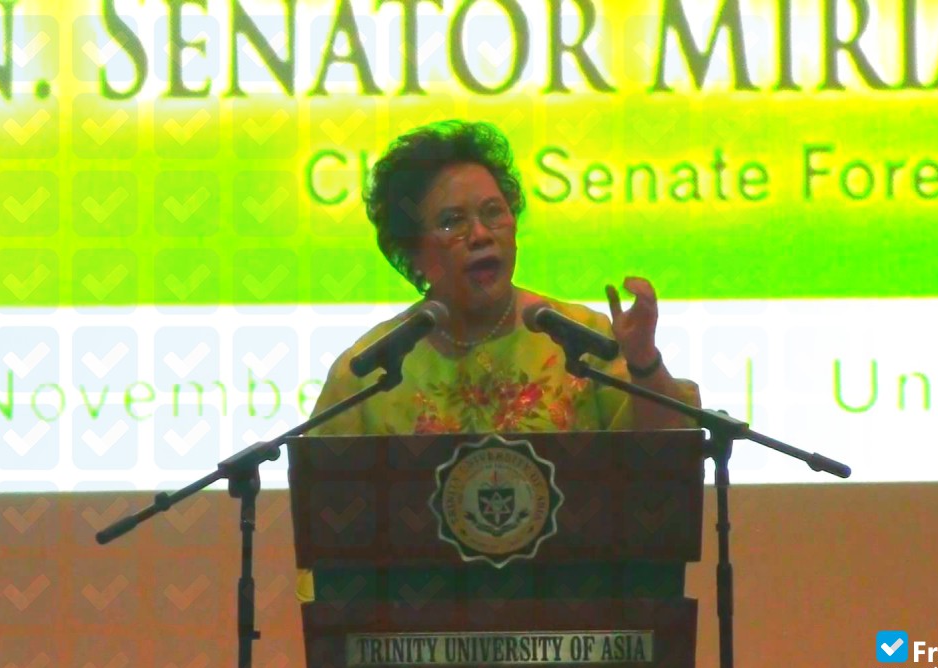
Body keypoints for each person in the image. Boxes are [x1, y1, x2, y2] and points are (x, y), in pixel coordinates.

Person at [297, 120, 701, 601]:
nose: (481, 235)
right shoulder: (371, 370)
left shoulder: (581, 338)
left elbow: (664, 467)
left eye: (494, 213)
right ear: (414, 252)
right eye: (452, 222)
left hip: (578, 618)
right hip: (419, 629)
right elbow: (328, 533)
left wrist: (644, 361)